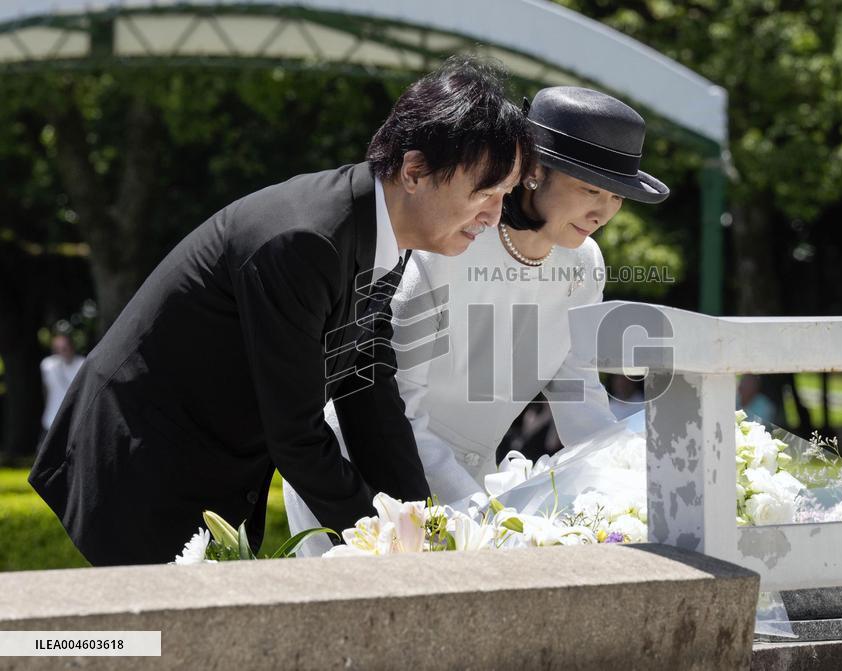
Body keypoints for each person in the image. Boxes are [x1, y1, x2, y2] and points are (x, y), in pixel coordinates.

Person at [28, 56, 533, 566]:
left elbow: (369, 394)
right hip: (141, 463)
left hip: (213, 466)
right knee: (138, 645)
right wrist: (388, 549)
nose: (493, 216)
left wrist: (422, 525)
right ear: (415, 171)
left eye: (505, 195)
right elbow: (296, 433)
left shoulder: (385, 235)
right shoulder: (304, 240)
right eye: (482, 192)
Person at [285, 86, 669, 555]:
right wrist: (479, 515)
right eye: (590, 189)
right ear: (533, 172)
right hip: (364, 471)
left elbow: (579, 397)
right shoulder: (454, 241)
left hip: (476, 484)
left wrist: (629, 497)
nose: (604, 212)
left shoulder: (584, 263)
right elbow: (397, 404)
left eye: (616, 196)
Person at [39, 333, 85, 440]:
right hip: (51, 420)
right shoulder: (47, 365)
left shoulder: (83, 364)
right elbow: (45, 391)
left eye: (64, 348)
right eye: (57, 349)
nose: (62, 352)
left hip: (76, 421)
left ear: (71, 346)